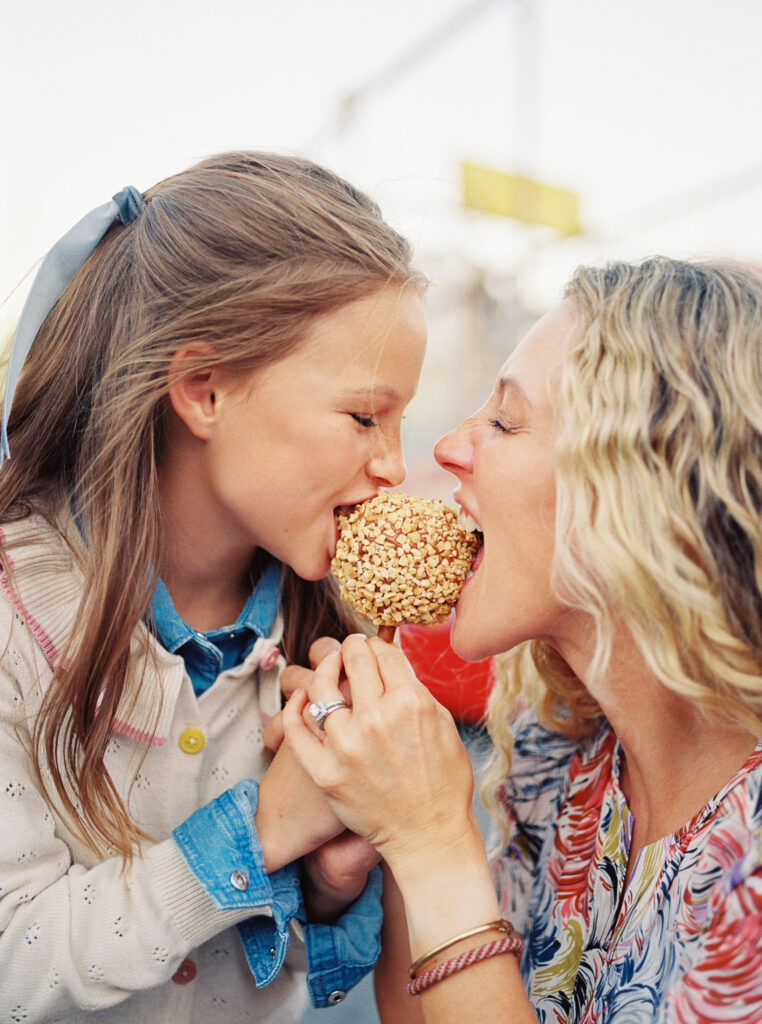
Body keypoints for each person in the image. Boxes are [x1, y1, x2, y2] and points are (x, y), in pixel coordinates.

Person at [0, 151, 428, 1023]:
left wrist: (330, 881)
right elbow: (15, 959)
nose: (393, 464)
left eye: (399, 421)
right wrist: (260, 833)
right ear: (204, 391)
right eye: (363, 416)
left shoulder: (332, 638)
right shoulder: (16, 611)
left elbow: (304, 970)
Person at [278, 257, 762, 1023]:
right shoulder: (566, 753)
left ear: (643, 493)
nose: (446, 450)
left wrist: (434, 840)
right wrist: (395, 815)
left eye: (503, 422)